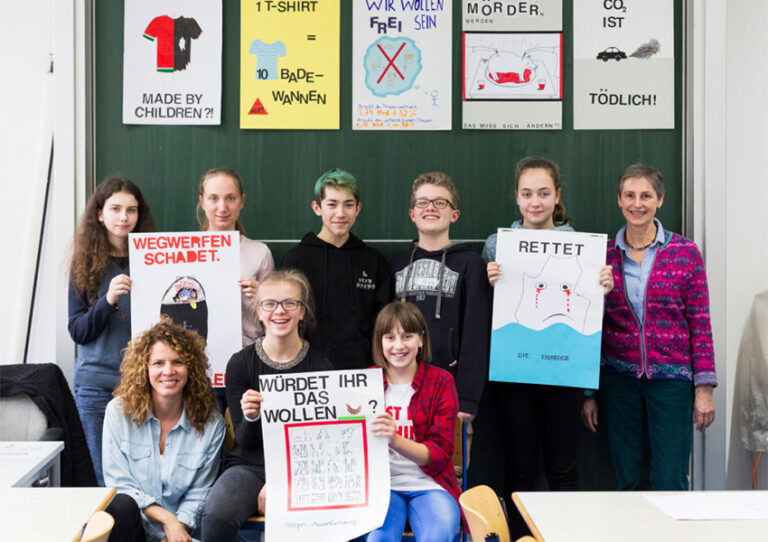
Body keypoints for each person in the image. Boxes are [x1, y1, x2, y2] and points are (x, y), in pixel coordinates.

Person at [482, 157, 613, 533]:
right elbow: (487, 313)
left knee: (563, 468)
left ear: (557, 196)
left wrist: (602, 285)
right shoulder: (497, 246)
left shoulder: (583, 247)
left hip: (563, 373)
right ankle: (522, 538)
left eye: (543, 193)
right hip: (514, 375)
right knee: (519, 468)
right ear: (516, 198)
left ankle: (561, 537)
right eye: (527, 194)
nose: (534, 202)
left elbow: (590, 318)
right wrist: (488, 281)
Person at [581, 164, 717, 490]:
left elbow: (700, 323)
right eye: (630, 195)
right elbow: (589, 325)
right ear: (619, 200)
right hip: (619, 382)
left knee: (670, 478)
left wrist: (704, 388)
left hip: (672, 382)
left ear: (660, 200)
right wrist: (589, 392)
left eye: (646, 196)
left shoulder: (685, 253)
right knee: (627, 477)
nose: (637, 203)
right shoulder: (601, 256)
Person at [201, 269, 333, 541]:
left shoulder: (320, 366)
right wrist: (251, 418)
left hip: (305, 468)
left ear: (302, 311)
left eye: (290, 303)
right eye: (269, 304)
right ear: (258, 312)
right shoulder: (240, 364)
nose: (279, 311)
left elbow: (320, 442)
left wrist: (280, 483)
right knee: (216, 516)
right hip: (250, 465)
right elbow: (245, 442)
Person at [102, 317, 225, 542]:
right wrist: (167, 519)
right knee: (120, 505)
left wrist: (176, 529)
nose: (168, 371)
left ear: (191, 368)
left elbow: (200, 493)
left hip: (180, 534)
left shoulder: (211, 423)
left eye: (177, 362)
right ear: (144, 369)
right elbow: (119, 485)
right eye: (158, 363)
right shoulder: (118, 412)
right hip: (131, 530)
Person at [68, 177, 155, 485]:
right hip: (96, 387)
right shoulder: (84, 263)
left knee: (143, 475)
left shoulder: (155, 258)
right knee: (103, 477)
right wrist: (107, 301)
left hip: (146, 384)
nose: (123, 217)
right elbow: (78, 331)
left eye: (131, 210)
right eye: (115, 209)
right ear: (100, 214)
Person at [389, 172, 490, 423]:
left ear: (454, 214)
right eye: (422, 202)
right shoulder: (395, 264)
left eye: (440, 202)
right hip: (399, 388)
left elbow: (476, 335)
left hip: (451, 391)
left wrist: (467, 398)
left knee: (450, 462)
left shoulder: (471, 264)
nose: (430, 208)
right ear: (412, 213)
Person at [366, 301, 461, 542]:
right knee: (378, 538)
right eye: (389, 337)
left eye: (407, 336)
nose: (398, 346)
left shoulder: (441, 382)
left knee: (437, 536)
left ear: (421, 340)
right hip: (382, 488)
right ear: (380, 342)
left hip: (431, 485)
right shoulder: (365, 383)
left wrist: (395, 440)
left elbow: (440, 454)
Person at [281, 168, 391, 370]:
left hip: (363, 373)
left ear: (358, 208)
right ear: (317, 207)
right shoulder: (296, 259)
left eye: (348, 205)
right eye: (332, 204)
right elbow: (285, 320)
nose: (340, 213)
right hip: (306, 373)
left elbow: (383, 324)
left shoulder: (374, 262)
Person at [197, 167, 274, 346]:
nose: (222, 207)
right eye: (213, 198)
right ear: (202, 202)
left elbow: (274, 316)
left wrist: (263, 298)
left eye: (230, 198)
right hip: (197, 355)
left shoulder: (259, 252)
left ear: (242, 201)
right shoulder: (181, 253)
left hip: (248, 352)